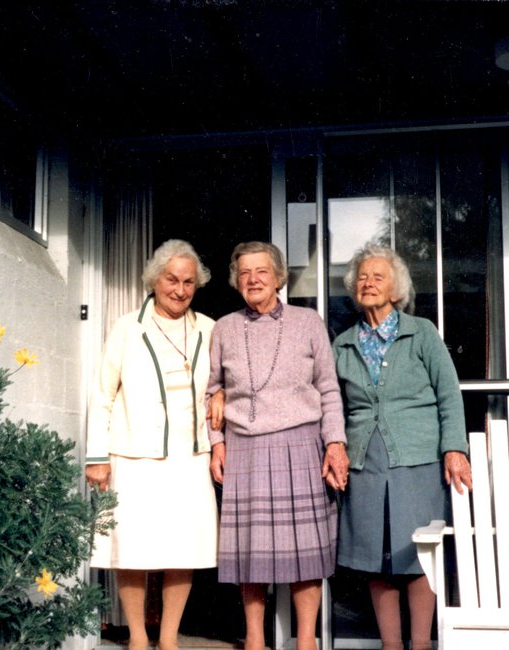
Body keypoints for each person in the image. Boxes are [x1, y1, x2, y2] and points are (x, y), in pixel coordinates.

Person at [206, 241, 349, 650]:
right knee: (250, 552)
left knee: (306, 552)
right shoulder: (224, 327)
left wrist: (334, 442)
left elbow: (328, 389)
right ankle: (254, 639)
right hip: (245, 447)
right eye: (245, 273)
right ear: (236, 281)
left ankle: (306, 641)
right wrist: (218, 442)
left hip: (301, 445)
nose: (253, 279)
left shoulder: (308, 322)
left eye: (262, 271)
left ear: (278, 277)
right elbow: (211, 391)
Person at [332, 244, 472, 650]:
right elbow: (332, 404)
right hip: (366, 462)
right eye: (362, 277)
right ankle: (391, 646)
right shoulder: (342, 343)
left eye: (378, 277)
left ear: (396, 290)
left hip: (418, 459)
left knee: (418, 556)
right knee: (375, 559)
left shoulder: (421, 331)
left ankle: (421, 643)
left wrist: (454, 448)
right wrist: (336, 446)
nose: (368, 282)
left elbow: (449, 393)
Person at [85, 239, 218, 650]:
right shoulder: (127, 327)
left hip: (192, 456)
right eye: (171, 279)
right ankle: (139, 638)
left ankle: (169, 637)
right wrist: (96, 457)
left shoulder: (210, 329)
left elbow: (225, 380)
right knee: (133, 550)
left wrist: (223, 395)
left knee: (185, 549)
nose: (179, 290)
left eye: (188, 282)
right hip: (133, 456)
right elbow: (103, 393)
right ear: (154, 279)